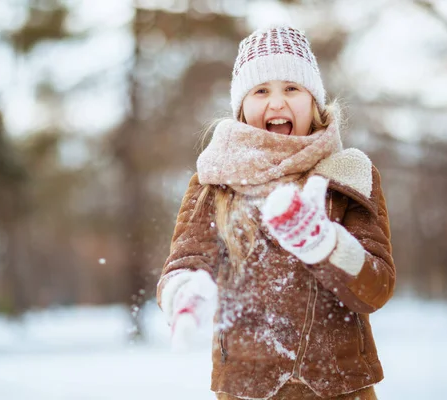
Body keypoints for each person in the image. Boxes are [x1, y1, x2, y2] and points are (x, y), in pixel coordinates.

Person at [156, 25, 395, 400]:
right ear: (242, 106)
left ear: (313, 100)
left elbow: (375, 288)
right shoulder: (214, 181)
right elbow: (186, 262)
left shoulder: (348, 174)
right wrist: (187, 294)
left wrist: (324, 243)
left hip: (340, 388)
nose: (278, 103)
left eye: (292, 88)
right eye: (262, 90)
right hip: (245, 389)